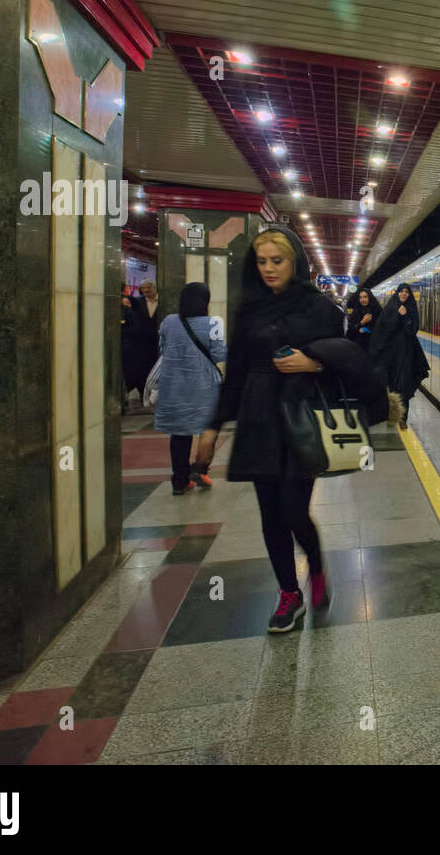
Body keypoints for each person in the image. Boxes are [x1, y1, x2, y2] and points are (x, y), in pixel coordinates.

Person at [207, 226, 345, 633]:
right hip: (258, 417)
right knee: (270, 514)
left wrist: (315, 363)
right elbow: (236, 372)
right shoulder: (249, 310)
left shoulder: (320, 308)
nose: (269, 269)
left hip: (300, 416)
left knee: (292, 509)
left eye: (277, 261)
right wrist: (213, 426)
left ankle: (316, 566)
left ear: (294, 262)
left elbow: (349, 359)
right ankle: (289, 593)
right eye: (262, 261)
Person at [153, 282, 226, 494]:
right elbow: (220, 354)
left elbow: (163, 348)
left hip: (174, 384)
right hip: (204, 384)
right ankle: (201, 469)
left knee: (179, 433)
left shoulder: (169, 321)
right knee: (208, 428)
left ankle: (180, 481)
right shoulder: (213, 323)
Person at [370, 283, 430, 430]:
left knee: (404, 386)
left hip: (406, 355)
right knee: (390, 387)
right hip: (389, 355)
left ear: (409, 295)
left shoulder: (411, 310)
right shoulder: (389, 309)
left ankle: (403, 419)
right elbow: (381, 332)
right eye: (401, 292)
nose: (403, 294)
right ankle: (391, 416)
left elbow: (413, 330)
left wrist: (404, 317)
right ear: (397, 293)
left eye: (406, 292)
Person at [122, 279, 162, 407]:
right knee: (141, 370)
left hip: (158, 343)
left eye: (148, 288)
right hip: (142, 344)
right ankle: (143, 395)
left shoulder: (164, 301)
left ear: (155, 288)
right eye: (143, 288)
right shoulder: (138, 302)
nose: (145, 291)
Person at [347, 287, 381, 353]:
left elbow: (382, 327)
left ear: (370, 298)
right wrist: (362, 323)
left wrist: (369, 329)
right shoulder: (356, 312)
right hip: (358, 346)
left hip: (374, 345)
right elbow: (350, 331)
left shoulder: (377, 310)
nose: (362, 300)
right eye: (360, 297)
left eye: (365, 297)